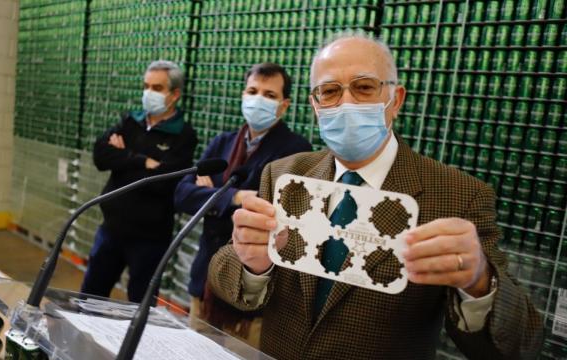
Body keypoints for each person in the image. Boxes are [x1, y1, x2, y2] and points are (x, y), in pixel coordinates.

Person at [208, 31, 543, 359]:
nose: (347, 103)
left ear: (395, 100)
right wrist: (252, 265)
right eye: (330, 91)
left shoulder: (459, 196)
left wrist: (479, 282)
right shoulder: (284, 174)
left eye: (364, 87)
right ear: (315, 104)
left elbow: (519, 345)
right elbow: (228, 281)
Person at [174, 62, 312, 344]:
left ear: (284, 106)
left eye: (269, 95)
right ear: (243, 95)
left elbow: (275, 213)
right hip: (207, 280)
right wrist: (235, 197)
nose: (258, 99)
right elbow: (182, 194)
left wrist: (213, 198)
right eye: (253, 91)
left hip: (254, 294)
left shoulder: (296, 151)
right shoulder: (222, 143)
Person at [81, 60, 197, 303]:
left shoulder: (184, 134)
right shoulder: (130, 122)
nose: (148, 93)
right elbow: (101, 156)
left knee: (140, 307)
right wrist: (143, 162)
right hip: (111, 229)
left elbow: (163, 183)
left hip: (150, 239)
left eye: (157, 88)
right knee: (89, 298)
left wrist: (122, 160)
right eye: (146, 86)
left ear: (174, 94)